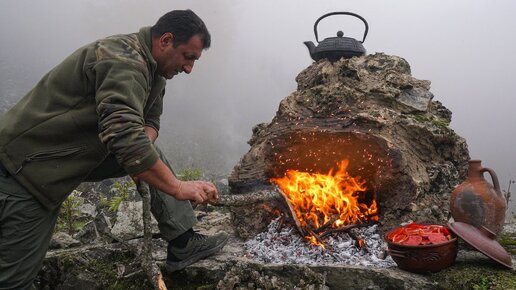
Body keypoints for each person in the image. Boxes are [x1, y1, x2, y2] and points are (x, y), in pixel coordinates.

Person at [0, 9, 228, 289]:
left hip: (59, 163)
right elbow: (122, 132)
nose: (189, 68)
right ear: (166, 40)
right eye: (188, 57)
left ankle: (182, 242)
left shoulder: (155, 71)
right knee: (13, 282)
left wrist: (138, 161)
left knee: (149, 154)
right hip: (22, 171)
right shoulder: (123, 59)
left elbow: (150, 122)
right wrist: (177, 187)